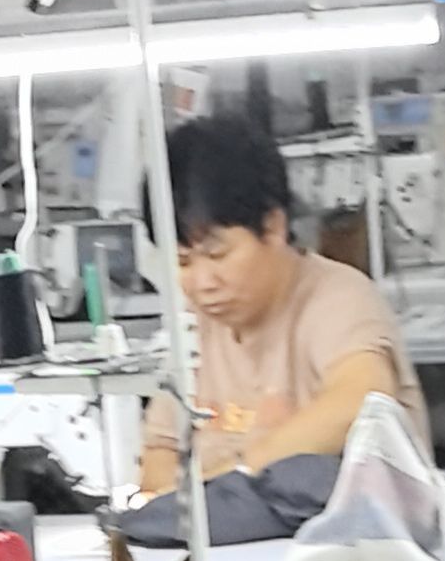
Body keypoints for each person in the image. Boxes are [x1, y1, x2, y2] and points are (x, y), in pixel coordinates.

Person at [136, 112, 429, 493]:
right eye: (183, 262)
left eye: (217, 254)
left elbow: (361, 399)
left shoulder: (336, 299)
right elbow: (159, 455)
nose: (203, 283)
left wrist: (233, 480)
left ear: (273, 226)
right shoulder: (196, 327)